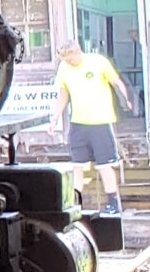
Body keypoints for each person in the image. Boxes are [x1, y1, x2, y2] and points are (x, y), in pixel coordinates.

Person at [52, 38, 134, 215]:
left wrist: (126, 99)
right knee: (77, 165)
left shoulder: (97, 61)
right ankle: (76, 202)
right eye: (65, 60)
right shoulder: (64, 68)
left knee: (105, 165)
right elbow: (64, 94)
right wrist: (55, 117)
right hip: (78, 123)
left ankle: (113, 203)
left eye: (71, 58)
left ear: (78, 51)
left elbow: (116, 82)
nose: (69, 62)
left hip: (100, 122)